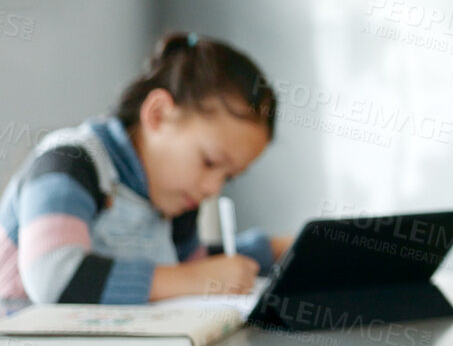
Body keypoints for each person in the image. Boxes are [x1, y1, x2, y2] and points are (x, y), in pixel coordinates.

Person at [0, 32, 285, 304]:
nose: (213, 188)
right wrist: (191, 278)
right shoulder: (70, 164)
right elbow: (53, 276)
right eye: (209, 162)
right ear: (158, 114)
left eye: (229, 177)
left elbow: (197, 267)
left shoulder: (175, 201)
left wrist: (273, 250)